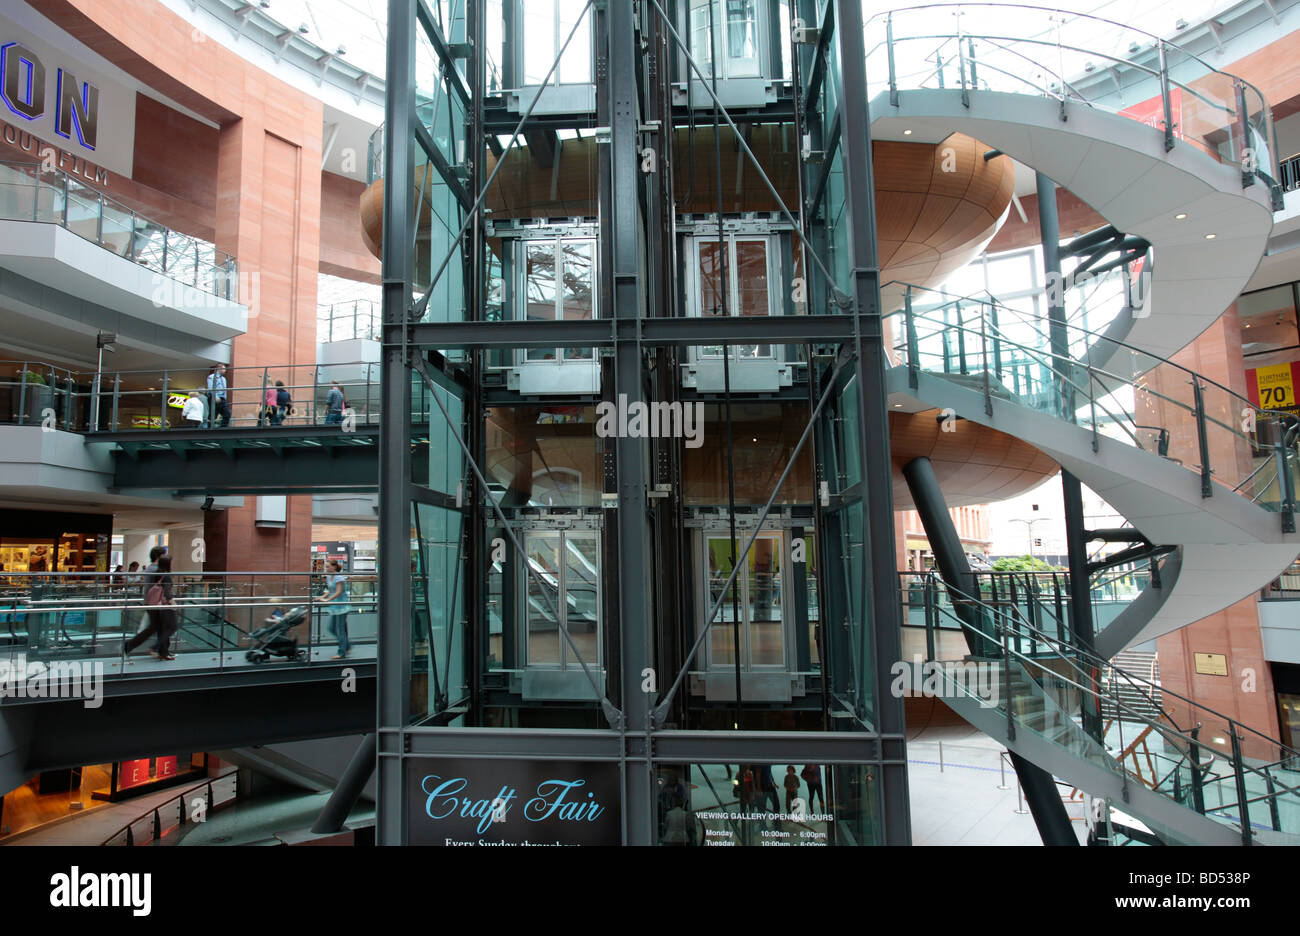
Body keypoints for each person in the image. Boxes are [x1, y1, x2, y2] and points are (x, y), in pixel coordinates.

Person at [125, 555, 176, 660]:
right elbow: (166, 591)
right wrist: (172, 602)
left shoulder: (156, 573)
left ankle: (162, 651)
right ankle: (156, 648)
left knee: (157, 628)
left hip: (152, 604)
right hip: (162, 605)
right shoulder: (165, 575)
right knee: (170, 627)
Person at [320, 560, 350, 658]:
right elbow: (330, 590)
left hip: (341, 606)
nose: (326, 569)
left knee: (340, 629)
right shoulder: (329, 577)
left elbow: (339, 592)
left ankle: (341, 652)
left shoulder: (339, 577)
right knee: (332, 628)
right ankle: (346, 645)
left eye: (328, 567)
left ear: (334, 567)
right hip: (334, 606)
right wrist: (322, 597)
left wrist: (327, 600)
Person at [206, 364, 230, 428]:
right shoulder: (212, 377)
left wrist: (225, 398)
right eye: (224, 369)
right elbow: (211, 388)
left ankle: (223, 428)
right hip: (214, 397)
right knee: (213, 414)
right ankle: (210, 429)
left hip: (222, 398)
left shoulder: (224, 379)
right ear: (219, 369)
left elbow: (225, 389)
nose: (225, 371)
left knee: (227, 414)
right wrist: (215, 397)